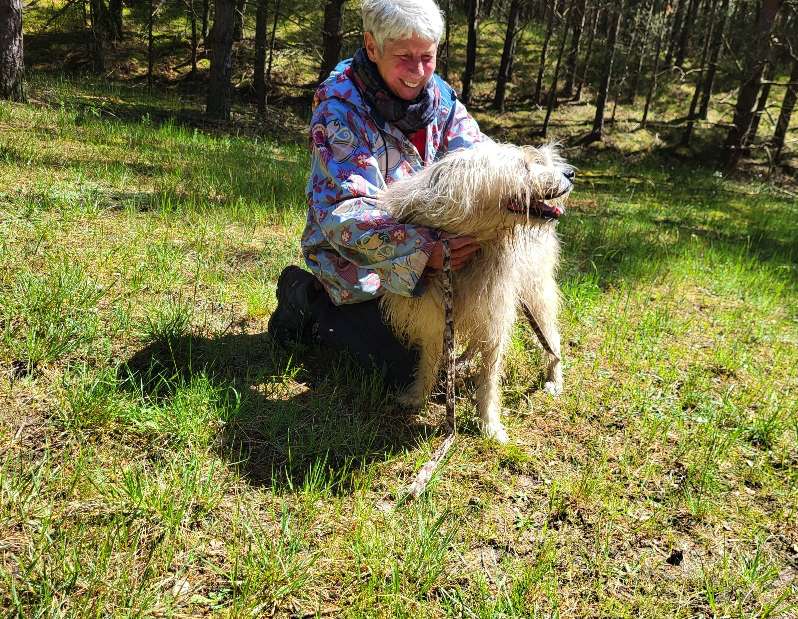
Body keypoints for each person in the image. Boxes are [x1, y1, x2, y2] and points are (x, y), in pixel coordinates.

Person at [269, 0, 489, 387]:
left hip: (435, 253)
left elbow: (478, 162)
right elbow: (345, 213)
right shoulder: (339, 111)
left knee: (451, 345)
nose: (418, 72)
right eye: (404, 57)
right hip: (356, 266)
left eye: (427, 57)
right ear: (372, 47)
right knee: (409, 370)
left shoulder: (442, 101)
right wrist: (425, 252)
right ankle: (308, 300)